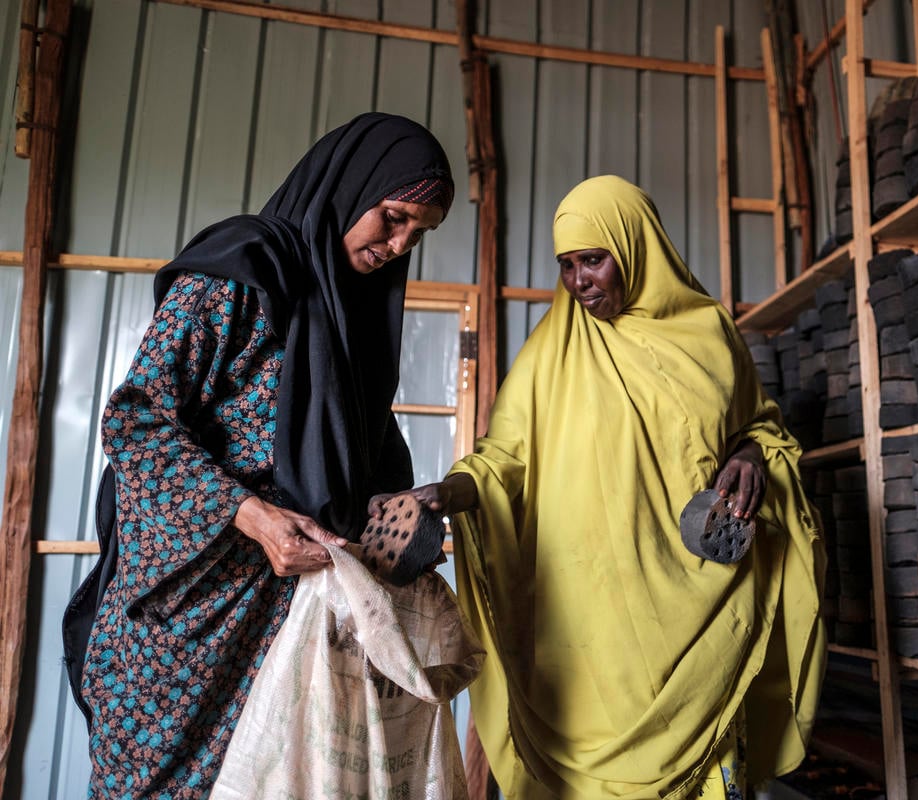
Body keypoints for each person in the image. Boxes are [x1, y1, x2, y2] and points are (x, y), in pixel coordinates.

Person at [376, 174, 827, 798]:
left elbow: (757, 425)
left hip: (701, 606)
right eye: (566, 264)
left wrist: (751, 453)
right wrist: (450, 491)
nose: (579, 281)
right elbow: (504, 457)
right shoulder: (547, 356)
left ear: (637, 248)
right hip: (586, 622)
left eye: (594, 259)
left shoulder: (710, 335)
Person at [63, 112, 455, 799]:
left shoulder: (354, 318)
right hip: (187, 619)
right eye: (392, 218)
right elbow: (136, 421)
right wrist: (251, 515)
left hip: (285, 634)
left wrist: (395, 520)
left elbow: (354, 466)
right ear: (349, 187)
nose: (398, 245)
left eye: (417, 234)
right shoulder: (245, 272)